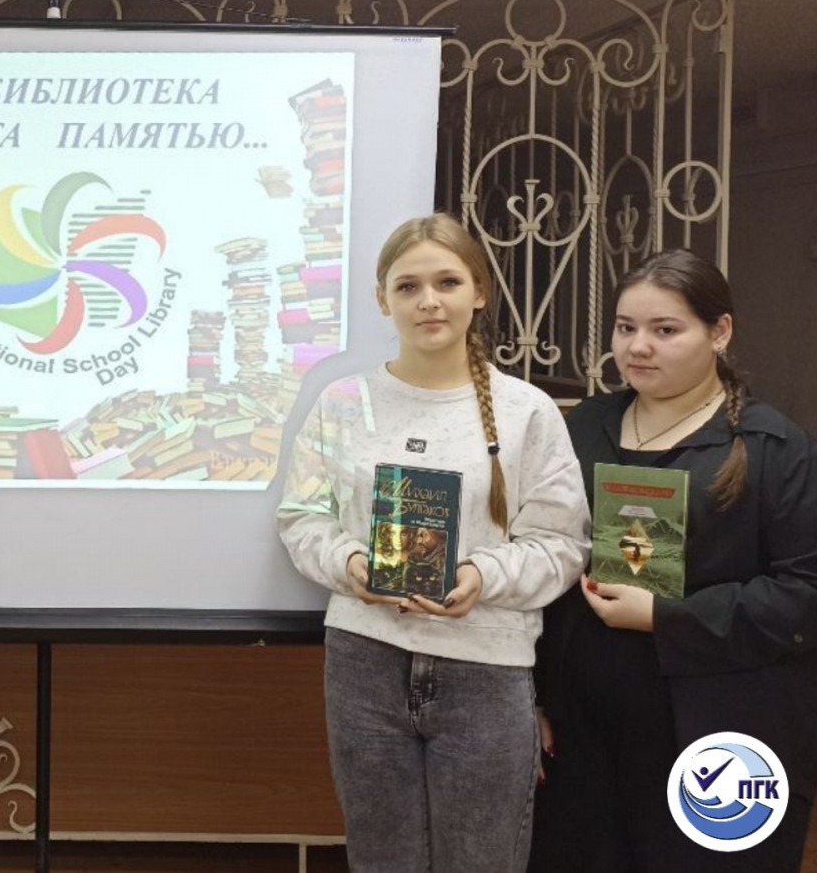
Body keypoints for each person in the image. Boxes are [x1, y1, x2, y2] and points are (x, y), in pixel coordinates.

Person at [277, 212, 589, 873]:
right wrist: (350, 564)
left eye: (447, 282)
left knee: (483, 861)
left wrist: (481, 575)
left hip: (488, 667)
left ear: (479, 292)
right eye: (408, 286)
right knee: (380, 859)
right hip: (364, 662)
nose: (428, 300)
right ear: (381, 299)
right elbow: (301, 518)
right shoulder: (342, 403)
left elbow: (561, 545)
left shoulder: (527, 411)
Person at [531, 248, 817, 872]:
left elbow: (804, 595)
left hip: (719, 740)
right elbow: (543, 558)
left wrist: (666, 617)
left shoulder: (773, 446)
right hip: (585, 736)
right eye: (625, 327)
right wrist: (535, 696)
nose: (638, 347)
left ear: (720, 331)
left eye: (665, 330)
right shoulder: (584, 427)